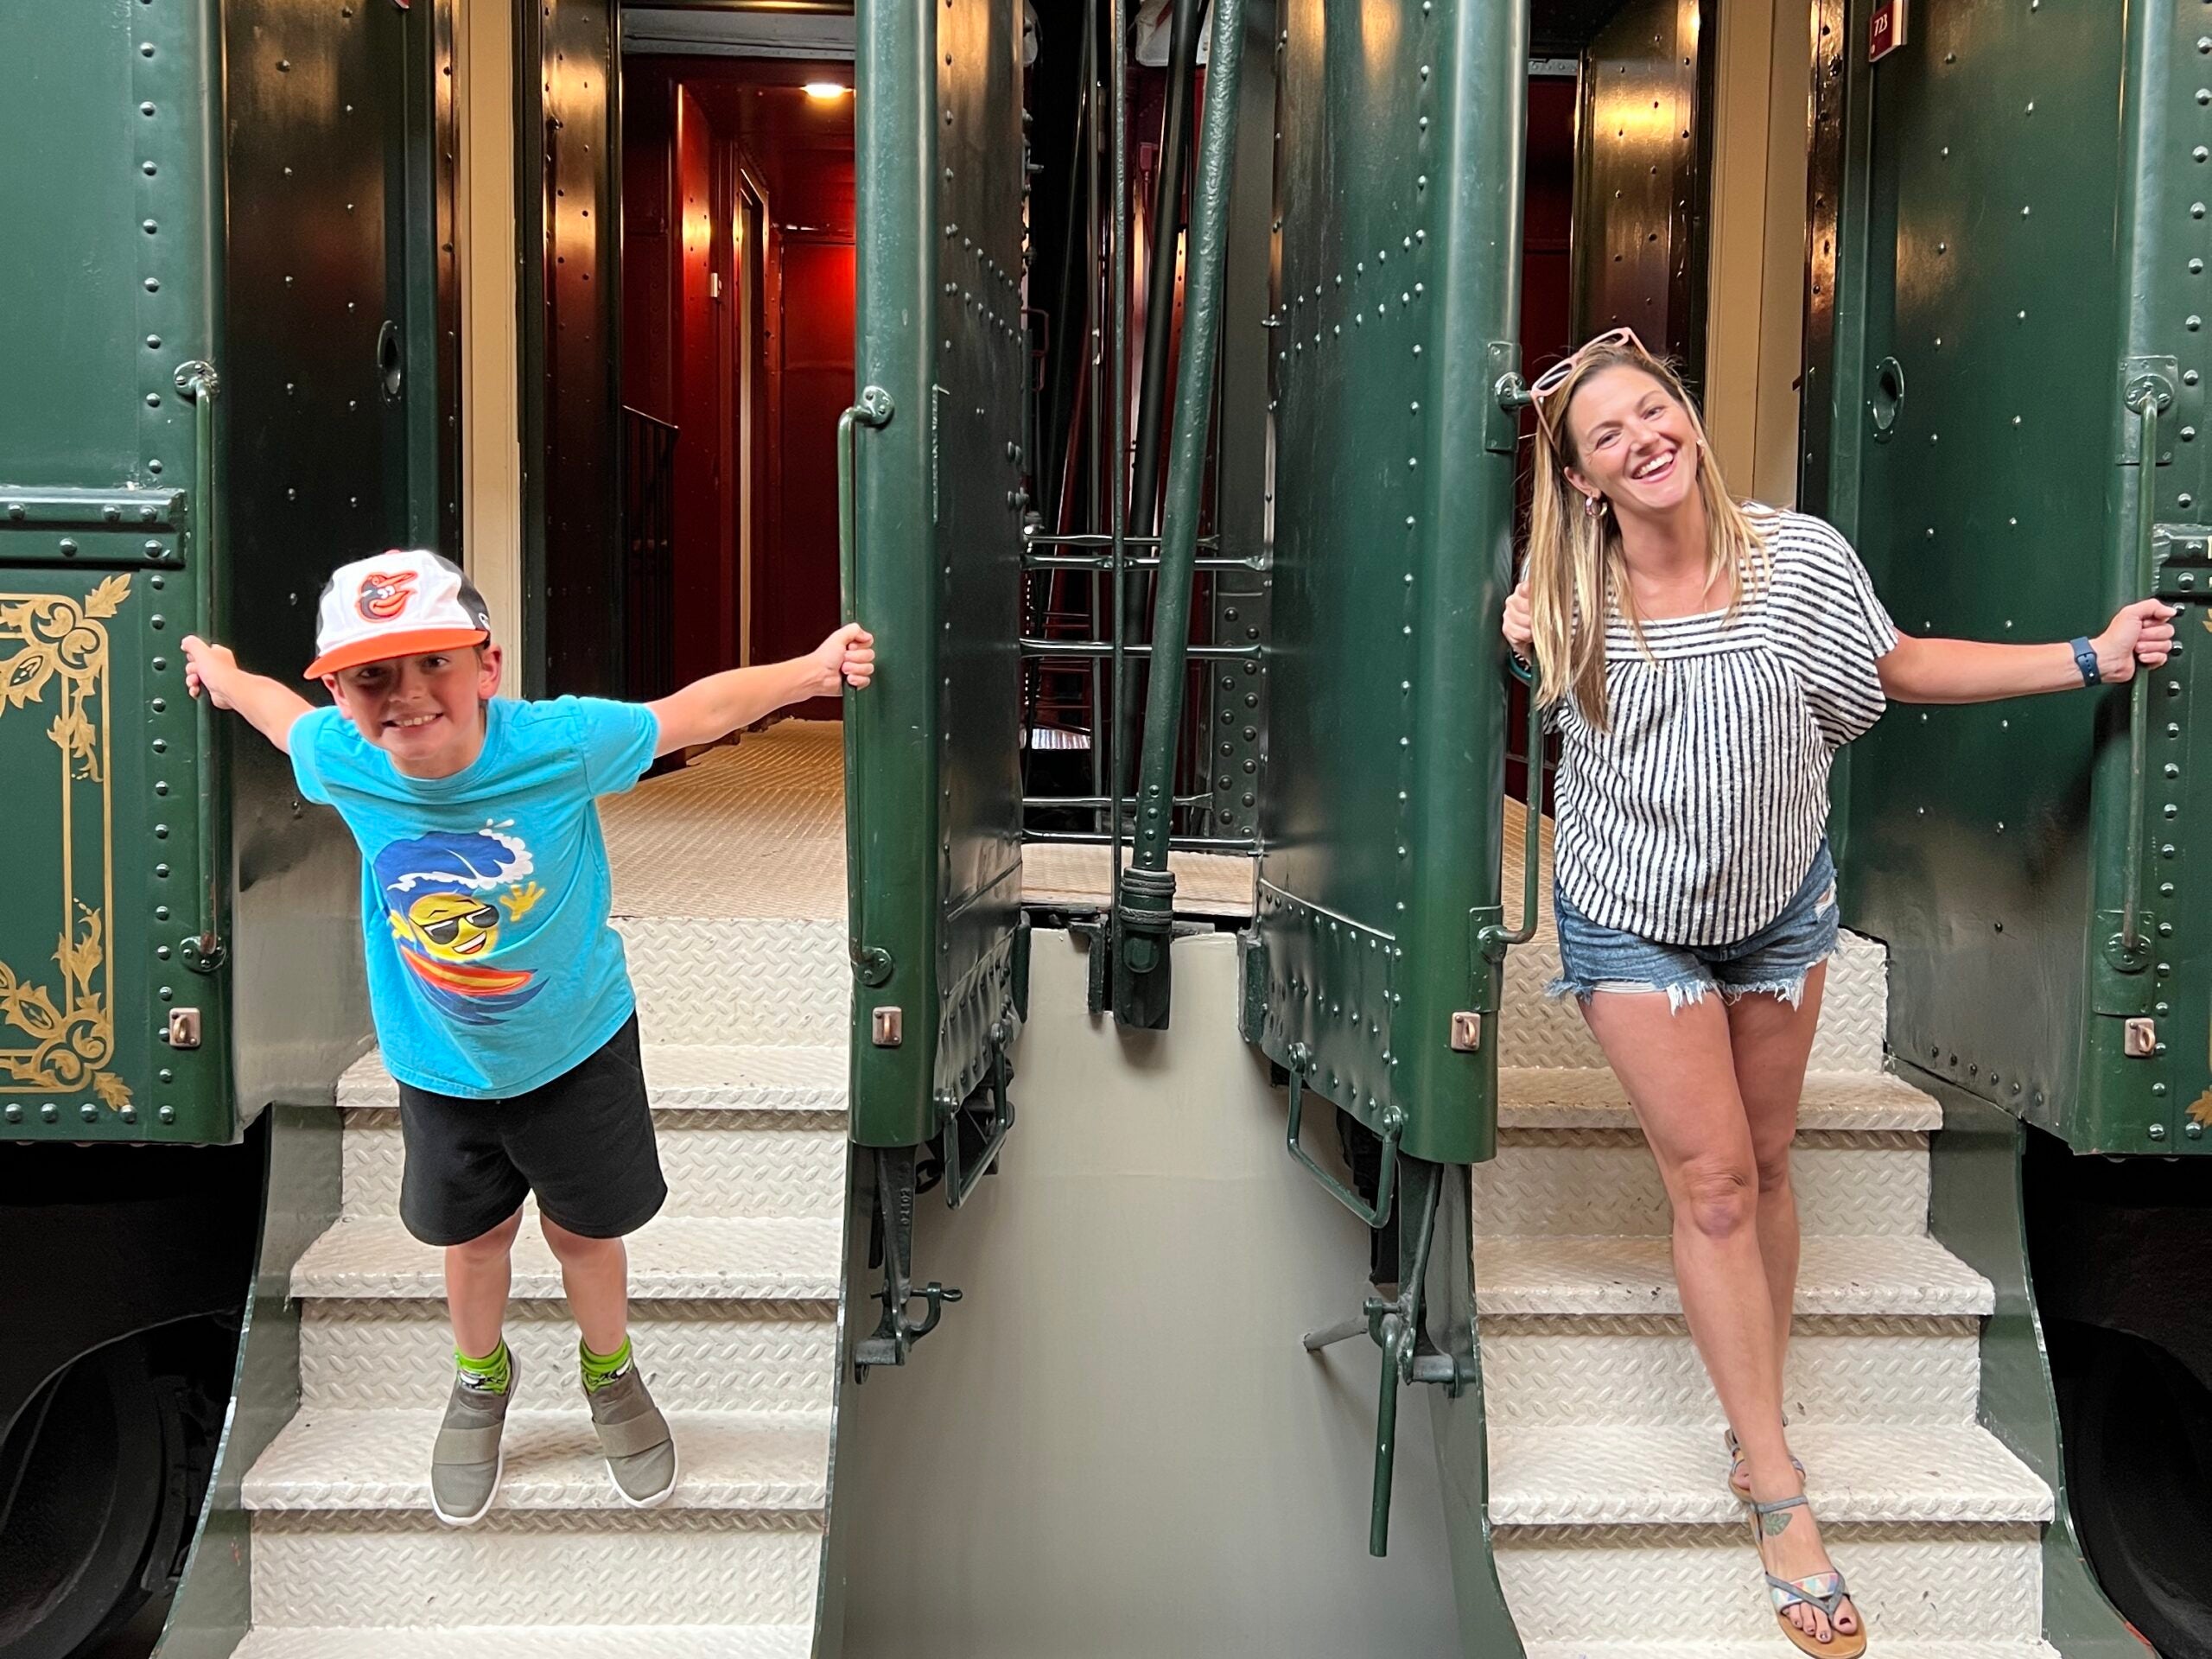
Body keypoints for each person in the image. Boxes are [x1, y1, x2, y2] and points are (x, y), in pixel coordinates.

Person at [1500, 328, 2174, 1658]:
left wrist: (2086, 658)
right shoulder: (1559, 597)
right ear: (1581, 480)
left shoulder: (1798, 558)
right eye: (1607, 436)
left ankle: (1758, 1401)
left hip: (1778, 919)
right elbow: (1523, 668)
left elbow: (1900, 664)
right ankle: (1775, 1482)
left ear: (1685, 416)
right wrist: (1516, 627)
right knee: (1712, 1186)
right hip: (1634, 926)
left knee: (1765, 1160)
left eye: (1656, 411)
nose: (1645, 439)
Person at [182, 550, 874, 1526]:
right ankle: (479, 1379)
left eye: (434, 664)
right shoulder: (339, 757)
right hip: (440, 1066)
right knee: (475, 1240)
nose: (408, 696)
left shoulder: (556, 744)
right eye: (372, 675)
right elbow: (271, 712)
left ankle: (610, 1373)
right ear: (337, 690)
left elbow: (695, 712)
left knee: (585, 1235)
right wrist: (217, 669)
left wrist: (810, 672)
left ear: (489, 668)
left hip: (577, 1048)